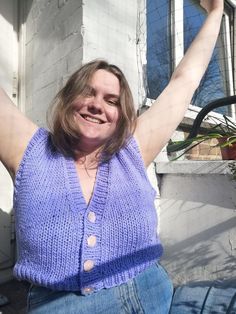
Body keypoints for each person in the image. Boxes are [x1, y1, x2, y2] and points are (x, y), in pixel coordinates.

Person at [0, 1, 224, 313]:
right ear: (67, 99)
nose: (97, 105)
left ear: (121, 116)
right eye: (87, 93)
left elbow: (185, 80)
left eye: (111, 100)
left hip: (156, 296)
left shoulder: (132, 151)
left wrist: (215, 13)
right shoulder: (30, 151)